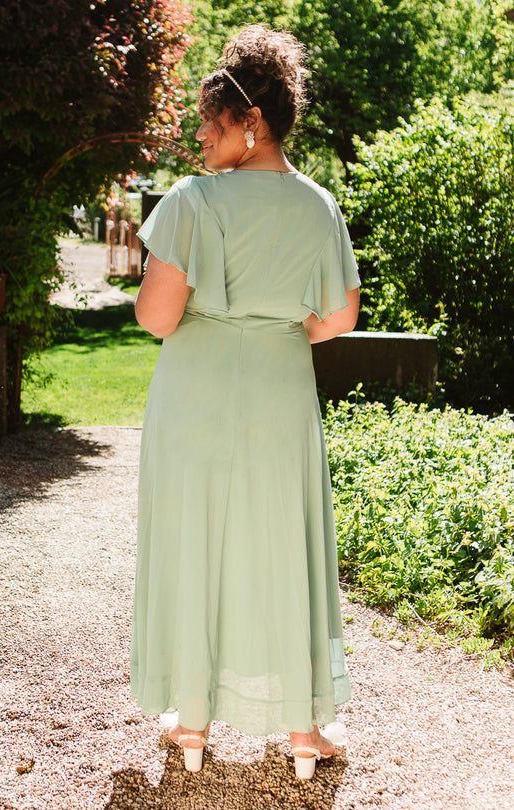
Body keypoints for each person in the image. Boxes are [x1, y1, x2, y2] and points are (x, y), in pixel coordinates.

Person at [130, 24, 360, 780]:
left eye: (209, 120)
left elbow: (159, 318)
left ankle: (192, 723)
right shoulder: (318, 204)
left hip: (196, 395)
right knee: (282, 549)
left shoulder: (193, 203)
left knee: (197, 541)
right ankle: (301, 730)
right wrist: (273, 318)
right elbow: (337, 319)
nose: (199, 136)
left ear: (248, 121)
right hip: (278, 393)